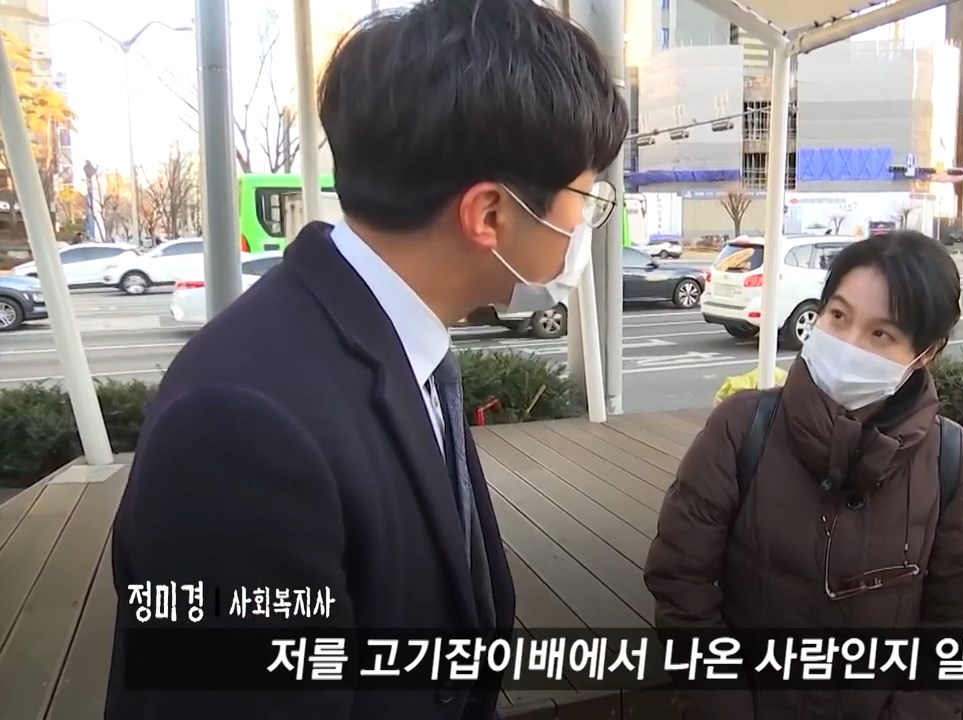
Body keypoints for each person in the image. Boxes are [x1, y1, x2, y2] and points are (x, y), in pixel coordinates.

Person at [105, 1, 628, 718]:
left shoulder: (403, 344)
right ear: (489, 215)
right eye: (584, 195)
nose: (586, 221)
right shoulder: (236, 427)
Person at [644, 231, 963, 719]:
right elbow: (681, 581)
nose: (847, 343)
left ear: (926, 353)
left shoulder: (949, 458)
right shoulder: (742, 427)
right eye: (838, 316)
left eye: (881, 334)